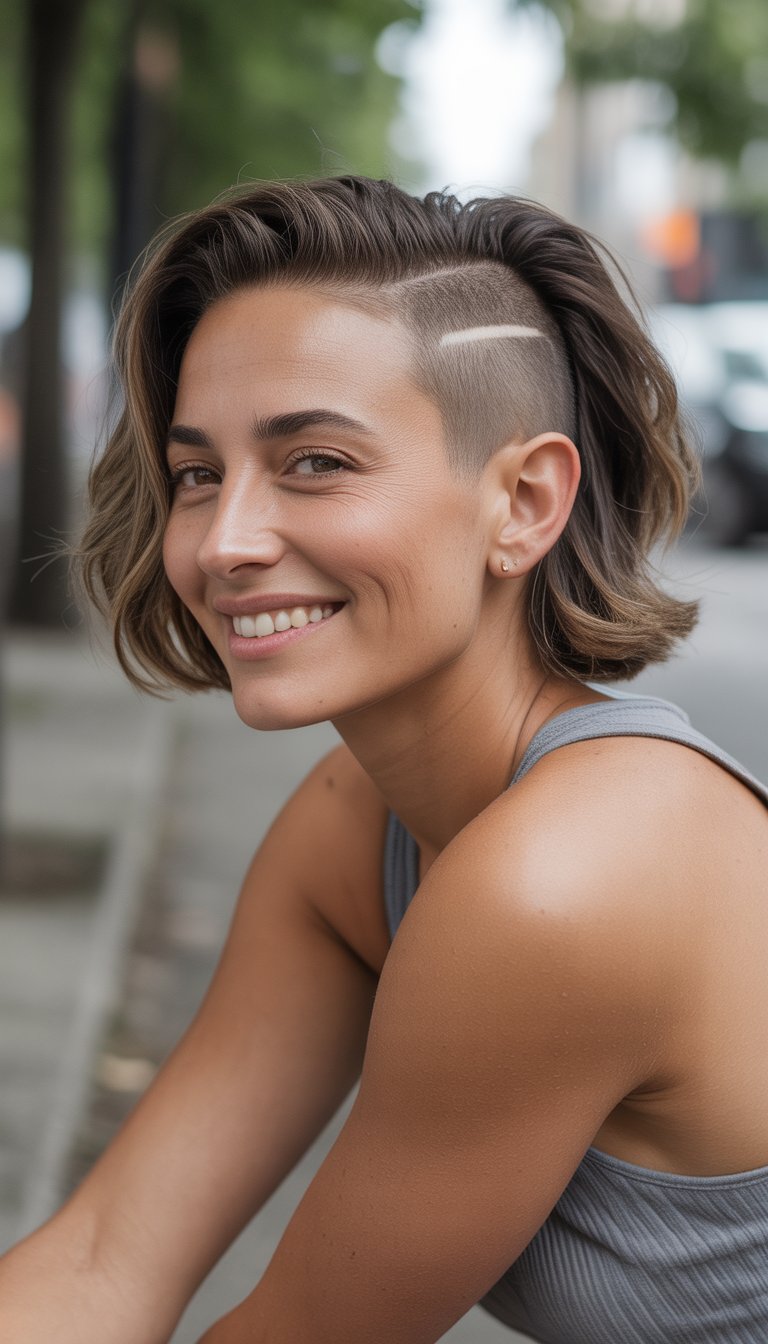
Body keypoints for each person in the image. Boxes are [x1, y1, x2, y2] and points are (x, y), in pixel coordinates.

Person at [1, 176, 766, 1343]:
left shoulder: (561, 882)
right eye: (200, 473)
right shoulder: (363, 820)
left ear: (524, 500)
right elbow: (110, 1260)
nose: (226, 542)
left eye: (315, 462)